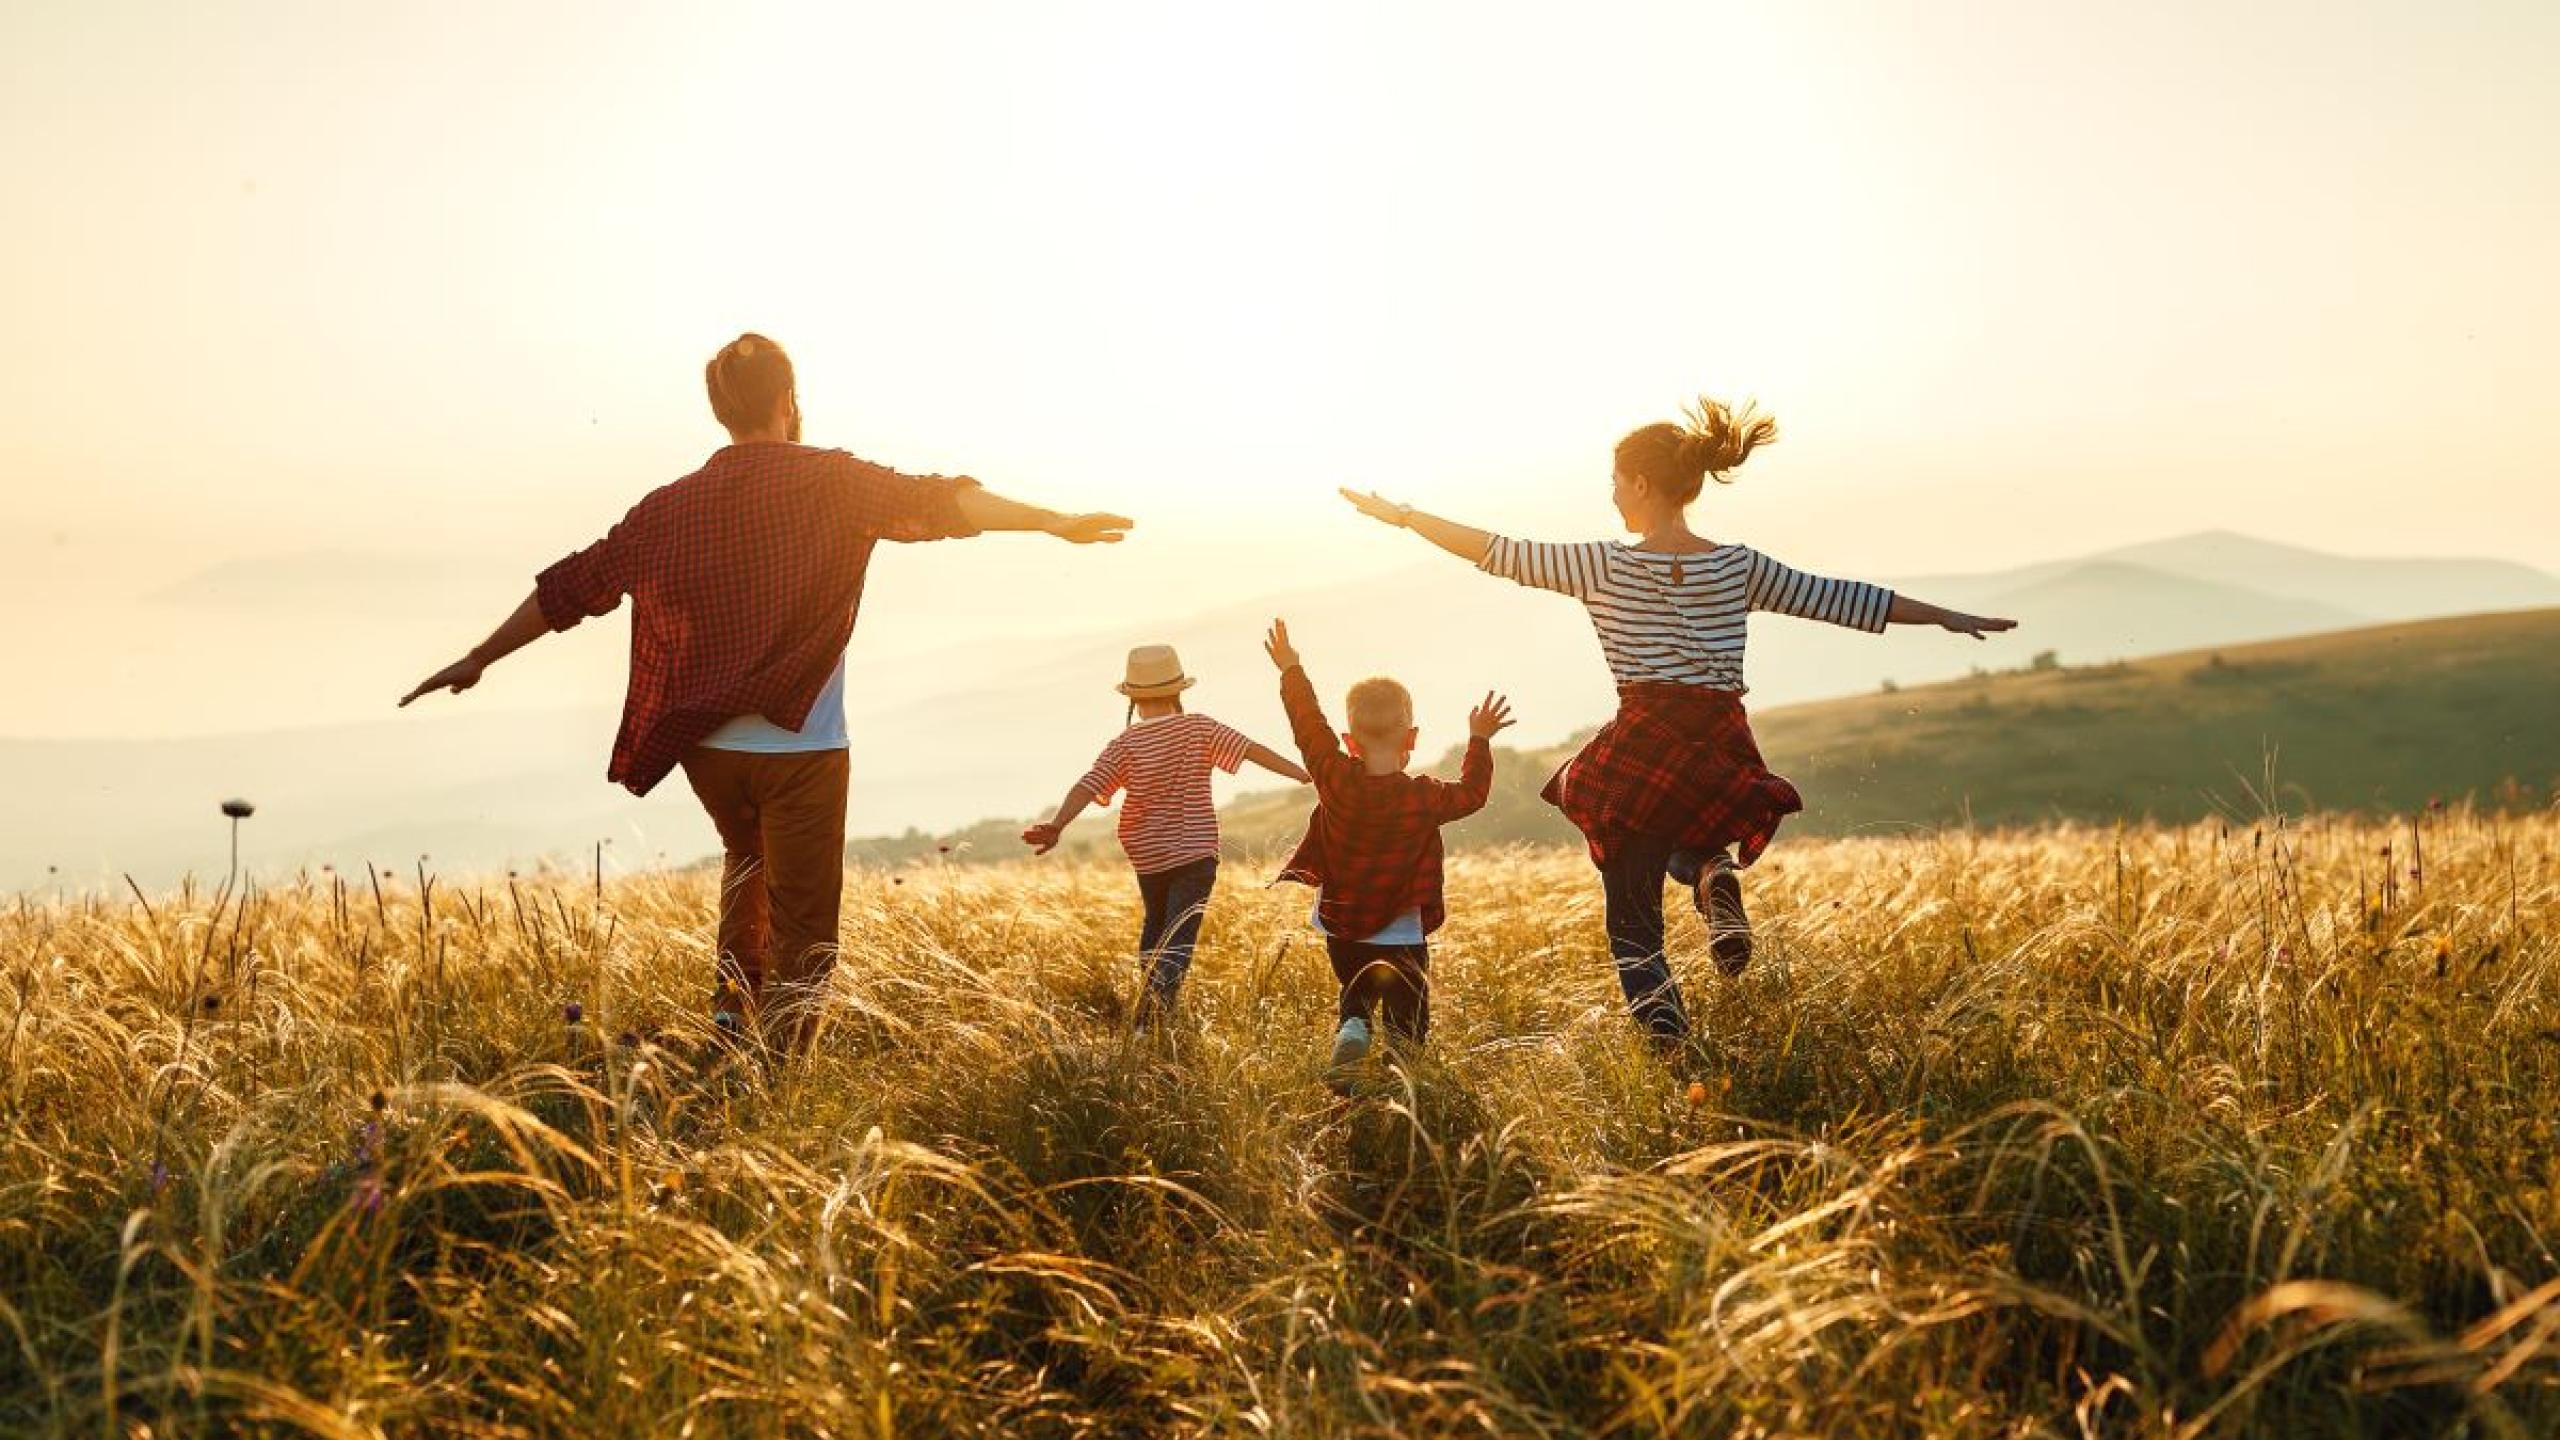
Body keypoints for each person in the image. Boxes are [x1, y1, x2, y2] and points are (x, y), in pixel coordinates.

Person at [400, 333, 1132, 1055]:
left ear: (722, 411)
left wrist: (479, 657)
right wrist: (1053, 522)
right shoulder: (832, 481)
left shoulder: (667, 508)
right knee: (805, 924)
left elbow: (574, 587)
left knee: (745, 866)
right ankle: (777, 1071)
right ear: (788, 400)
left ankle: (729, 1024)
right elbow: (942, 502)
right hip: (802, 750)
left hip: (708, 752)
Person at [1339, 397, 2014, 1050]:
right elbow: (1842, 599)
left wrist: (1402, 517)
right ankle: (1713, 877)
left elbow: (1493, 550)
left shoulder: (1603, 564)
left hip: (1645, 737)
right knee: (1690, 832)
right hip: (1721, 738)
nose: (1610, 495)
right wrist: (1947, 616)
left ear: (1638, 481)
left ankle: (1670, 1044)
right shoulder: (1738, 565)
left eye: (1614, 481)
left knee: (1632, 924)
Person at [1262, 619, 1510, 1080]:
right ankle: (1400, 1082)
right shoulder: (1423, 796)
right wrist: (1479, 739)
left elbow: (1307, 724)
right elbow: (1473, 793)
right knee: (1407, 1017)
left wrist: (1291, 669)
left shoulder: (1333, 777)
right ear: (1411, 739)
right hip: (1402, 932)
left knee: (1356, 993)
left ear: (1349, 741)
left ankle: (1354, 1025)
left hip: (1343, 925)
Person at [1021, 644, 1310, 1024]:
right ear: (1178, 691)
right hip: (1195, 854)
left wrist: (1058, 825)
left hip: (1149, 856)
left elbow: (1088, 785)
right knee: (1179, 935)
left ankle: (1148, 1013)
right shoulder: (1199, 728)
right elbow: (1251, 750)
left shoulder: (1125, 744)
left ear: (1134, 699)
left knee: (1155, 928)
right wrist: (1304, 774)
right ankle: (1154, 1016)